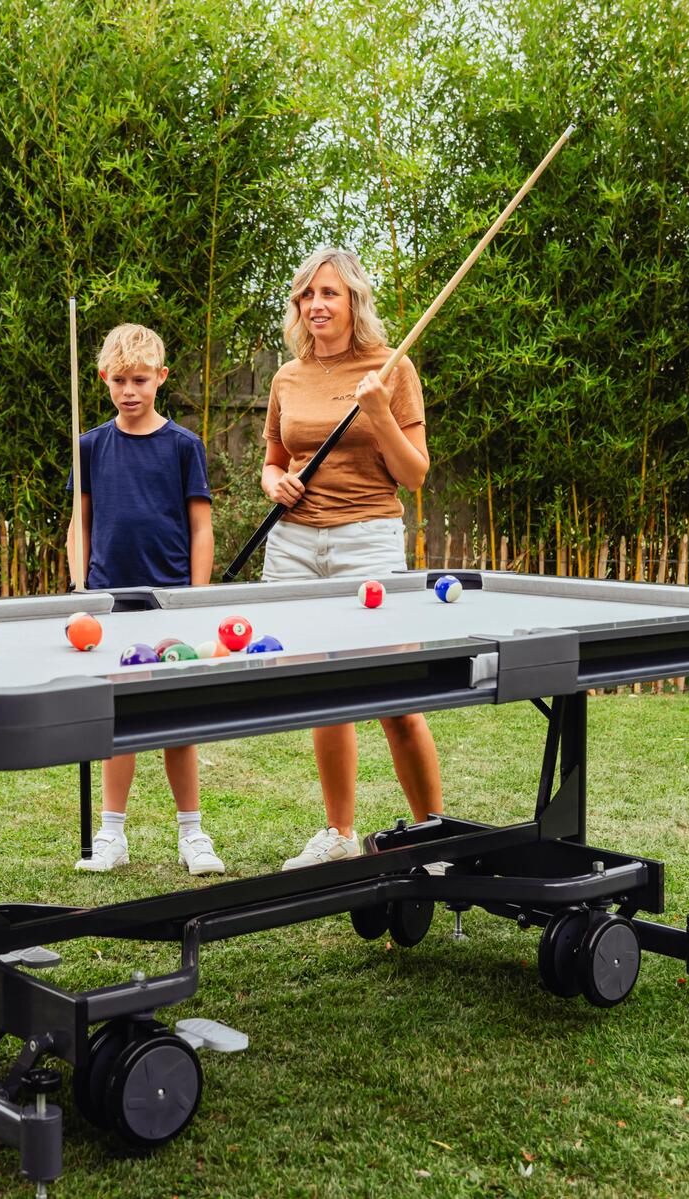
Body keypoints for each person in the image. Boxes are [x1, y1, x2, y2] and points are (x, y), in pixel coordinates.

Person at [260, 248, 443, 870]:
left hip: (367, 538)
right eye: (305, 296)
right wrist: (272, 484)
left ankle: (433, 836)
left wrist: (380, 414)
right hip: (294, 542)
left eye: (328, 294)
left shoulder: (392, 369)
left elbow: (414, 475)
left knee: (394, 693)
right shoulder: (288, 377)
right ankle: (338, 833)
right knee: (322, 691)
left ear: (354, 301)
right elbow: (273, 459)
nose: (315, 305)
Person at [69, 324, 223, 876]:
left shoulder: (183, 446)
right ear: (103, 379)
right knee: (120, 718)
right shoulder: (88, 446)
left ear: (160, 378)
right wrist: (80, 590)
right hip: (110, 599)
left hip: (169, 599)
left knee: (177, 718)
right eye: (118, 380)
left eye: (140, 379)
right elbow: (78, 524)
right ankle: (111, 834)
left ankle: (193, 834)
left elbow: (200, 528)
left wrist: (197, 599)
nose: (129, 390)